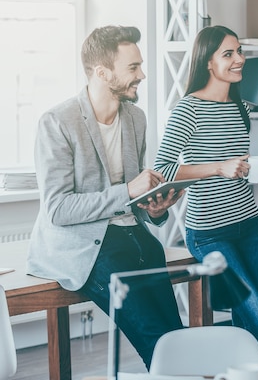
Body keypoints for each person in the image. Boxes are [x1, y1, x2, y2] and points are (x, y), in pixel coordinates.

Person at [26, 25, 185, 369]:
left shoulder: (135, 119)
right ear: (102, 72)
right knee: (158, 339)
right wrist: (129, 191)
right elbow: (58, 208)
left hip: (132, 236)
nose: (141, 75)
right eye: (133, 68)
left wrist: (154, 209)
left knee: (177, 336)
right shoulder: (57, 122)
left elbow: (134, 200)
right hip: (83, 244)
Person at [153, 25, 258, 375]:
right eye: (228, 53)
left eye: (239, 51)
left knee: (247, 320)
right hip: (209, 232)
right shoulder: (187, 109)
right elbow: (162, 169)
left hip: (248, 224)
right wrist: (218, 168)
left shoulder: (242, 108)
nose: (239, 59)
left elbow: (235, 163)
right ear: (208, 62)